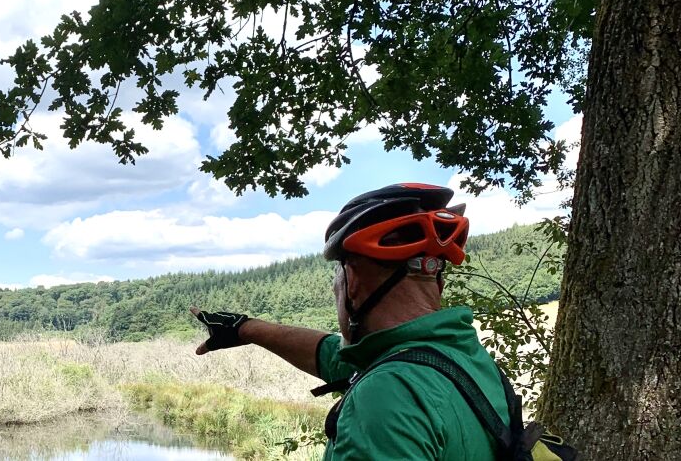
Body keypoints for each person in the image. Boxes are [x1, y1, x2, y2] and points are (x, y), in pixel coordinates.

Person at [192, 183, 512, 460]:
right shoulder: (466, 360)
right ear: (437, 283)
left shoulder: (387, 393)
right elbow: (339, 359)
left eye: (337, 281)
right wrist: (246, 329)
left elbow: (377, 379)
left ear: (353, 282)